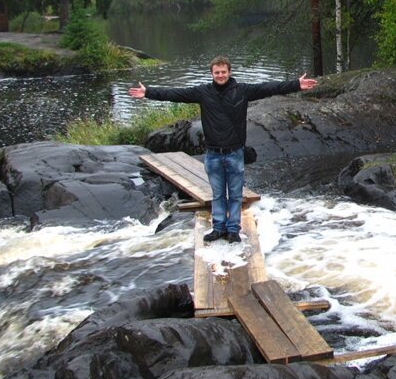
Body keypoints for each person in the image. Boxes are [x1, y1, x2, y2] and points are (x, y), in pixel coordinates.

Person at [129, 56, 317, 243]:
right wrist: (148, 92)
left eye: (223, 72)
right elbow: (175, 93)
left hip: (235, 153)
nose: (220, 75)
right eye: (217, 72)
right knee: (218, 194)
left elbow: (268, 88)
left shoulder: (242, 91)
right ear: (212, 74)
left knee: (235, 195)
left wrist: (296, 84)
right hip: (213, 154)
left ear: (229, 72)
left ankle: (233, 230)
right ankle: (218, 228)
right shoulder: (202, 92)